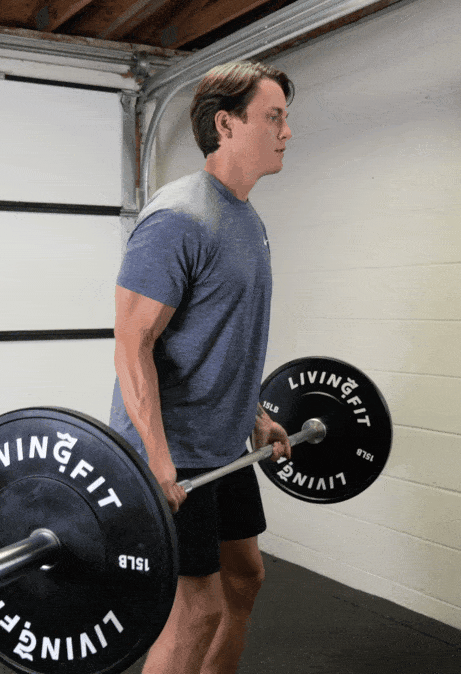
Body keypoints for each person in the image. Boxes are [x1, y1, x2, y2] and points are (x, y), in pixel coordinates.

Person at [110, 60, 295, 674]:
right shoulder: (177, 219)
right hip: (177, 452)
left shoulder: (248, 220)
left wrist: (257, 416)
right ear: (226, 123)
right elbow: (131, 344)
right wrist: (157, 463)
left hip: (222, 447)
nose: (286, 131)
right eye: (274, 117)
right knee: (197, 610)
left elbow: (218, 340)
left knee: (244, 581)